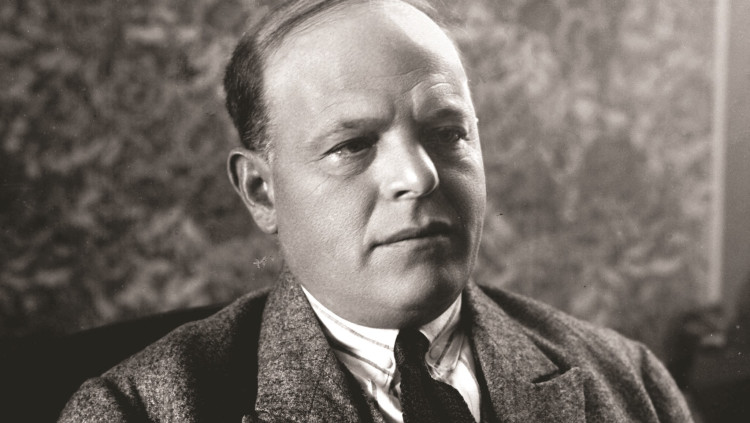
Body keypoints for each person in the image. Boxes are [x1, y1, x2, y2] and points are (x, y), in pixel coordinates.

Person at [59, 0, 694, 421]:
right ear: (261, 191)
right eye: (353, 145)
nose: (419, 177)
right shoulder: (134, 411)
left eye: (448, 133)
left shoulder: (629, 382)